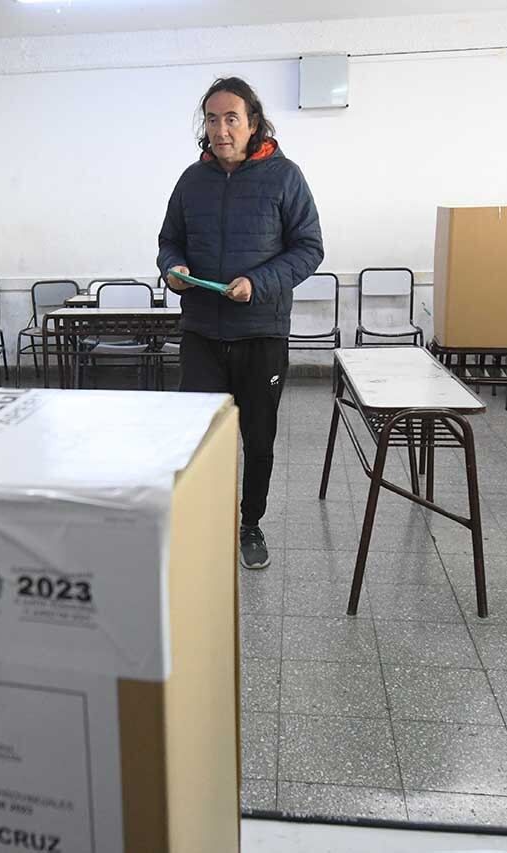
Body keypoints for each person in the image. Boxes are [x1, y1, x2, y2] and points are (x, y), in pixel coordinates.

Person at [157, 77, 324, 570]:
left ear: (253, 124)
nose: (221, 129)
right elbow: (170, 241)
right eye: (212, 119)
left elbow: (310, 249)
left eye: (232, 118)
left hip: (261, 332)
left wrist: (258, 281)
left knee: (258, 436)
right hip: (202, 332)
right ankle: (202, 517)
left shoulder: (284, 176)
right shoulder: (191, 180)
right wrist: (175, 269)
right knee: (198, 435)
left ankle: (250, 524)